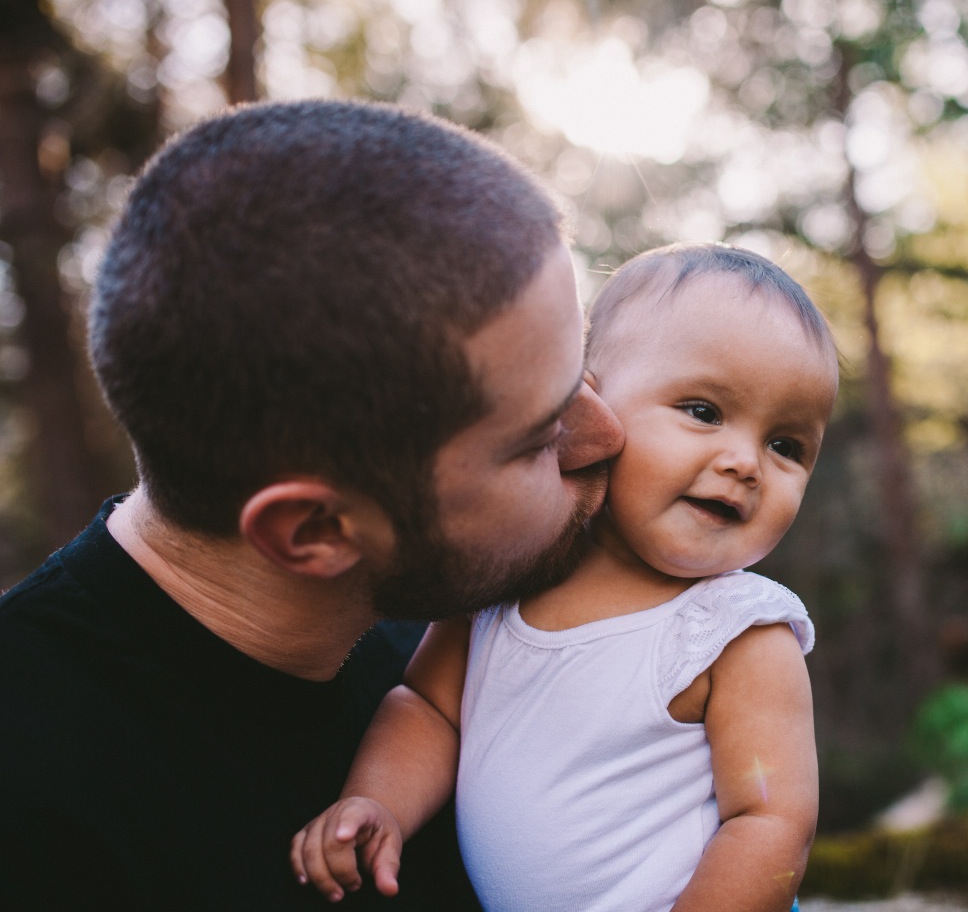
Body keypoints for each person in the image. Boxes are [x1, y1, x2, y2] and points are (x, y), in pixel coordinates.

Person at [0, 100, 623, 910]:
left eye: (587, 375)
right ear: (316, 531)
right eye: (539, 437)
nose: (608, 435)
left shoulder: (477, 638)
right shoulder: (20, 810)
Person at [291, 243, 839, 911]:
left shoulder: (739, 633)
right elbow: (430, 708)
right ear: (592, 406)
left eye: (786, 446)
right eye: (703, 411)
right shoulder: (512, 572)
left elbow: (772, 823)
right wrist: (378, 800)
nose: (745, 462)